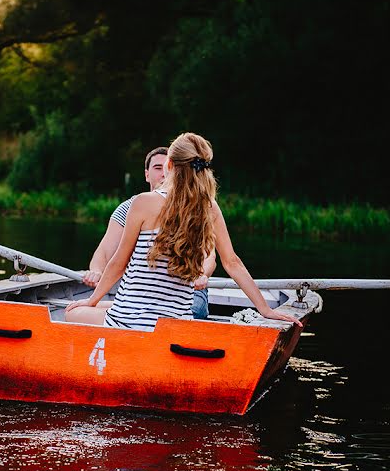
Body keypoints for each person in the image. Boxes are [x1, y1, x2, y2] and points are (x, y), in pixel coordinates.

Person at [66, 132, 300, 330]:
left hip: (130, 322)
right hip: (175, 323)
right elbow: (233, 263)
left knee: (73, 312)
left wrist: (92, 299)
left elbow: (118, 262)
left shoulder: (143, 202)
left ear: (169, 165)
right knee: (105, 305)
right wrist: (265, 310)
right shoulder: (210, 208)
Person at [83, 146, 215, 319]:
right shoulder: (131, 208)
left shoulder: (196, 208)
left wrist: (202, 275)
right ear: (147, 175)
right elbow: (106, 252)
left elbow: (209, 257)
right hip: (144, 295)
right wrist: (97, 271)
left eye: (167, 167)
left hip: (188, 292)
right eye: (157, 168)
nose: (163, 173)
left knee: (194, 310)